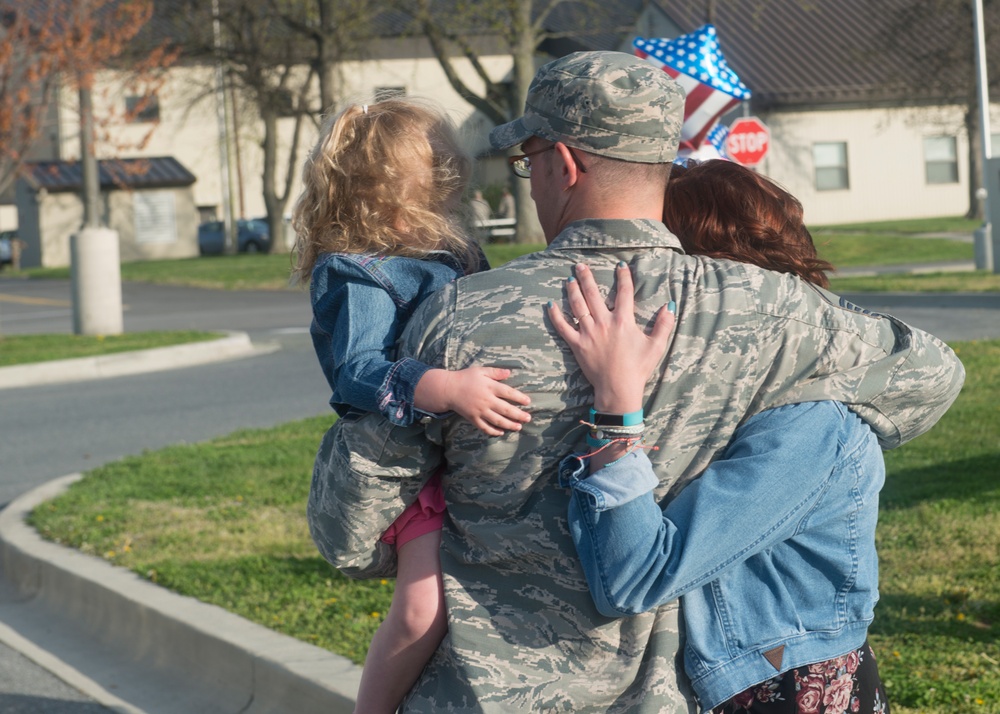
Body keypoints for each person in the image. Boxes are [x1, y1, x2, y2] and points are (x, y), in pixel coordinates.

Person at [307, 52, 963, 712]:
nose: (529, 181)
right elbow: (931, 375)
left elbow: (349, 532)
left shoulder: (458, 316)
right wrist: (750, 432)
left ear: (564, 164)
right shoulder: (768, 312)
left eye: (527, 161)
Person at [550, 160, 895, 713]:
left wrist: (616, 409)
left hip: (778, 689)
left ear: (719, 285)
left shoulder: (805, 424)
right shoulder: (731, 397)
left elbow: (636, 577)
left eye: (664, 264)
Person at [291, 97, 531, 714]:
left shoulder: (452, 255)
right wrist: (448, 389)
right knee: (424, 605)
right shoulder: (358, 271)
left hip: (457, 455)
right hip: (403, 464)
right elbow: (358, 371)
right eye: (435, 184)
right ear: (392, 191)